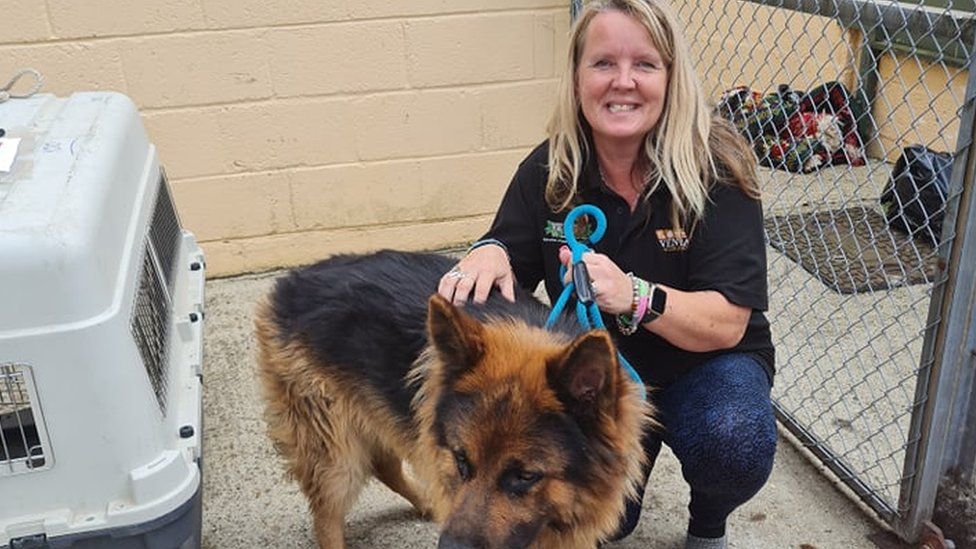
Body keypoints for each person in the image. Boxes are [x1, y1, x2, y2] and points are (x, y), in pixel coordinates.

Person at [437, 0, 777, 548]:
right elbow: (508, 259)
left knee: (732, 441)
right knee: (608, 522)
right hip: (596, 390)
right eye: (603, 64)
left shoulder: (717, 168)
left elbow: (726, 324)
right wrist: (490, 250)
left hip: (703, 371)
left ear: (671, 77)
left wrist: (635, 295)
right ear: (577, 78)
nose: (624, 82)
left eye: (644, 64)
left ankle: (708, 527)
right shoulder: (551, 170)